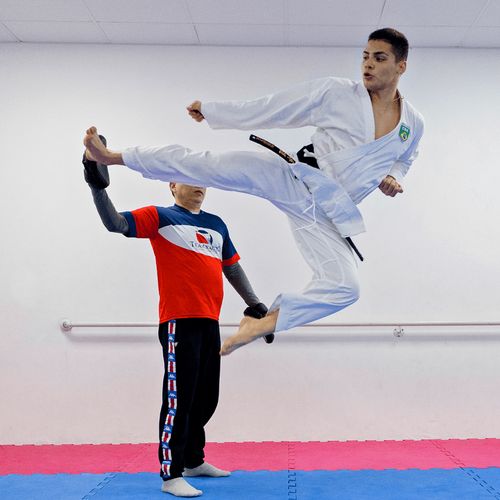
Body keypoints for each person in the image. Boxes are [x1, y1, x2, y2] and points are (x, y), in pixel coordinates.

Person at [83, 27, 424, 357]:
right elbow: (273, 107)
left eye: (379, 58)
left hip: (325, 213)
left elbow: (406, 157)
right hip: (295, 178)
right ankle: (113, 157)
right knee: (209, 165)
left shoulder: (413, 123)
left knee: (346, 288)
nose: (367, 64)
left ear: (400, 66)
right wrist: (216, 111)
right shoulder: (338, 94)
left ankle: (263, 323)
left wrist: (394, 175)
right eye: (365, 56)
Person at [83, 155, 269, 497]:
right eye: (189, 179)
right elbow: (116, 224)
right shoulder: (160, 216)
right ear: (172, 185)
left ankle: (193, 460)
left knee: (205, 398)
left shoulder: (217, 224)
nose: (198, 185)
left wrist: (254, 303)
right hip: (177, 323)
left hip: (209, 321)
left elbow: (232, 268)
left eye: (202, 180)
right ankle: (170, 474)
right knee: (179, 398)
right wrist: (97, 187)